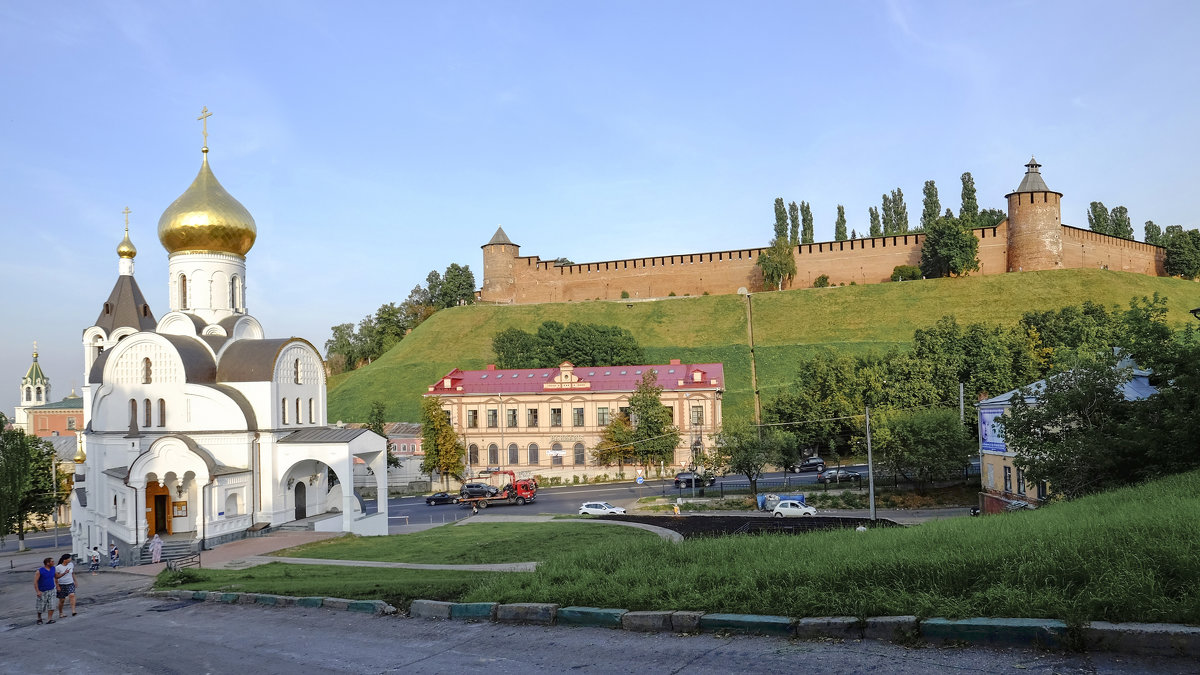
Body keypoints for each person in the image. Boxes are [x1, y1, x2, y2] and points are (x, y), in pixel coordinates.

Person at [34, 557, 58, 624]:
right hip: (43, 591)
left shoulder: (53, 568)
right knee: (40, 606)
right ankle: (39, 618)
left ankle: (49, 619)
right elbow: (35, 582)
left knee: (52, 605)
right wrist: (37, 591)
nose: (53, 563)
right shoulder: (39, 571)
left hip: (52, 589)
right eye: (52, 561)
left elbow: (56, 576)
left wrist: (64, 573)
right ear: (47, 563)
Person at [55, 553, 77, 618]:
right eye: (69, 558)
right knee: (62, 600)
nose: (70, 559)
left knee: (72, 595)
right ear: (65, 560)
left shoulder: (71, 565)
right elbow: (56, 577)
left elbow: (72, 573)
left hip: (70, 583)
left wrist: (75, 581)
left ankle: (73, 610)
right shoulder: (58, 567)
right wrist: (57, 586)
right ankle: (61, 613)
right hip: (61, 584)